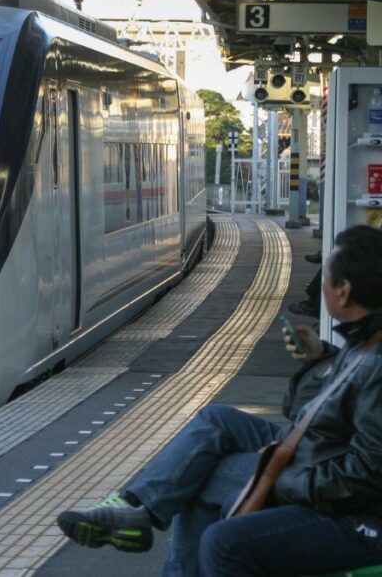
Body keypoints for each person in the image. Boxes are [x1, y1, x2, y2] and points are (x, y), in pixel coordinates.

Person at [56, 224, 382, 577]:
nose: (320, 286)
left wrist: (285, 477)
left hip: (360, 515)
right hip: (316, 453)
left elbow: (367, 474)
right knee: (216, 419)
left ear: (344, 292)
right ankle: (137, 509)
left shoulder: (375, 359)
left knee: (219, 537)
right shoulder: (362, 340)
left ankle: (143, 515)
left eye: (326, 279)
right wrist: (320, 357)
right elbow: (317, 410)